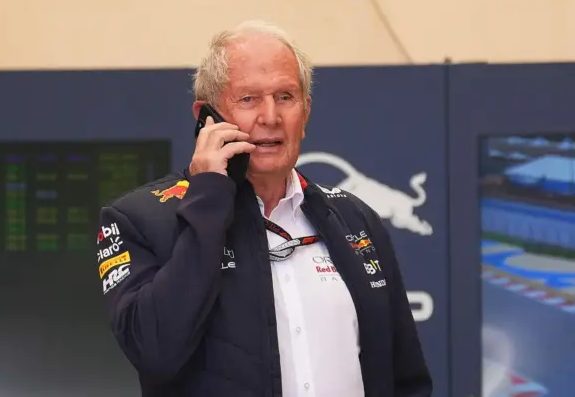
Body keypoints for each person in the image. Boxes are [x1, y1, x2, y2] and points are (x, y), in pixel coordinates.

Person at [96, 20, 432, 397]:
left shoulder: (355, 218)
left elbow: (406, 379)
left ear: (305, 112)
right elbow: (155, 353)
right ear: (207, 118)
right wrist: (208, 198)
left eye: (285, 97)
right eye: (248, 99)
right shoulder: (139, 219)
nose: (270, 117)